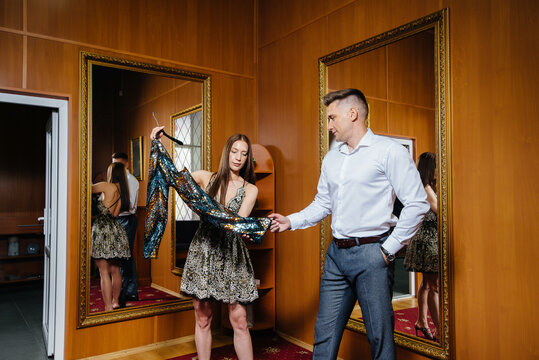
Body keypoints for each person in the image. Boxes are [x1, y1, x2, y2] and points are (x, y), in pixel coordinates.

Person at [269, 88, 430, 360]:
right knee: (325, 334)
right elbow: (323, 203)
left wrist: (387, 249)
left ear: (353, 114)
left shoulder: (388, 151)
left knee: (379, 338)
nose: (329, 125)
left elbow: (417, 204)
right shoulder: (332, 158)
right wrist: (290, 220)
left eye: (332, 118)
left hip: (373, 255)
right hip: (336, 256)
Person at [150, 126, 259, 360]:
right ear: (226, 152)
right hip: (204, 251)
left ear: (248, 158)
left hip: (231, 253)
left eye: (244, 153)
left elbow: (236, 222)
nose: (239, 157)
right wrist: (158, 145)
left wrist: (247, 230)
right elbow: (173, 178)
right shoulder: (205, 178)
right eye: (235, 151)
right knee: (203, 318)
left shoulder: (251, 189)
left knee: (239, 320)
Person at [404, 152, 439, 341]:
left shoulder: (429, 187)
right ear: (429, 169)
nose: (438, 171)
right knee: (433, 286)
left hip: (427, 239)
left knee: (426, 284)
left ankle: (421, 321)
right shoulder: (425, 188)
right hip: (427, 241)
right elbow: (442, 211)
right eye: (436, 168)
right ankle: (440, 329)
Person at [91, 162, 132, 311]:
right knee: (115, 269)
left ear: (111, 173)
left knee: (103, 271)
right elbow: (114, 214)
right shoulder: (123, 191)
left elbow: (86, 187)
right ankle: (115, 302)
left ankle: (108, 307)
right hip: (116, 229)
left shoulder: (107, 186)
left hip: (103, 229)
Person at [112, 152, 140, 303]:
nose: (116, 168)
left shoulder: (131, 180)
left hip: (126, 219)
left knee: (124, 256)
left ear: (126, 164)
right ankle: (125, 289)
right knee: (120, 256)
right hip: (117, 220)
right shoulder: (114, 181)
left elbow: (128, 205)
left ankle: (129, 291)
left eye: (118, 165)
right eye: (113, 164)